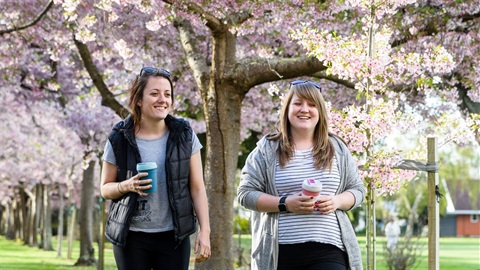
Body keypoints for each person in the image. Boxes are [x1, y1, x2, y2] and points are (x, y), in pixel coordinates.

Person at [237, 80, 366, 270]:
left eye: (312, 104)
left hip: (329, 249)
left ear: (320, 111)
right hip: (280, 252)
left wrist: (336, 201)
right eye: (298, 103)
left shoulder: (337, 148)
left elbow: (358, 190)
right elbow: (245, 194)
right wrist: (285, 203)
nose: (304, 109)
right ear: (287, 109)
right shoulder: (267, 149)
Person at [100, 67, 211, 270]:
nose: (163, 99)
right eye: (154, 93)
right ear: (139, 100)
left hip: (173, 237)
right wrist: (127, 185)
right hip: (130, 237)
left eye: (167, 94)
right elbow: (105, 188)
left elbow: (197, 188)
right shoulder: (119, 137)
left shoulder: (184, 135)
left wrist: (205, 231)